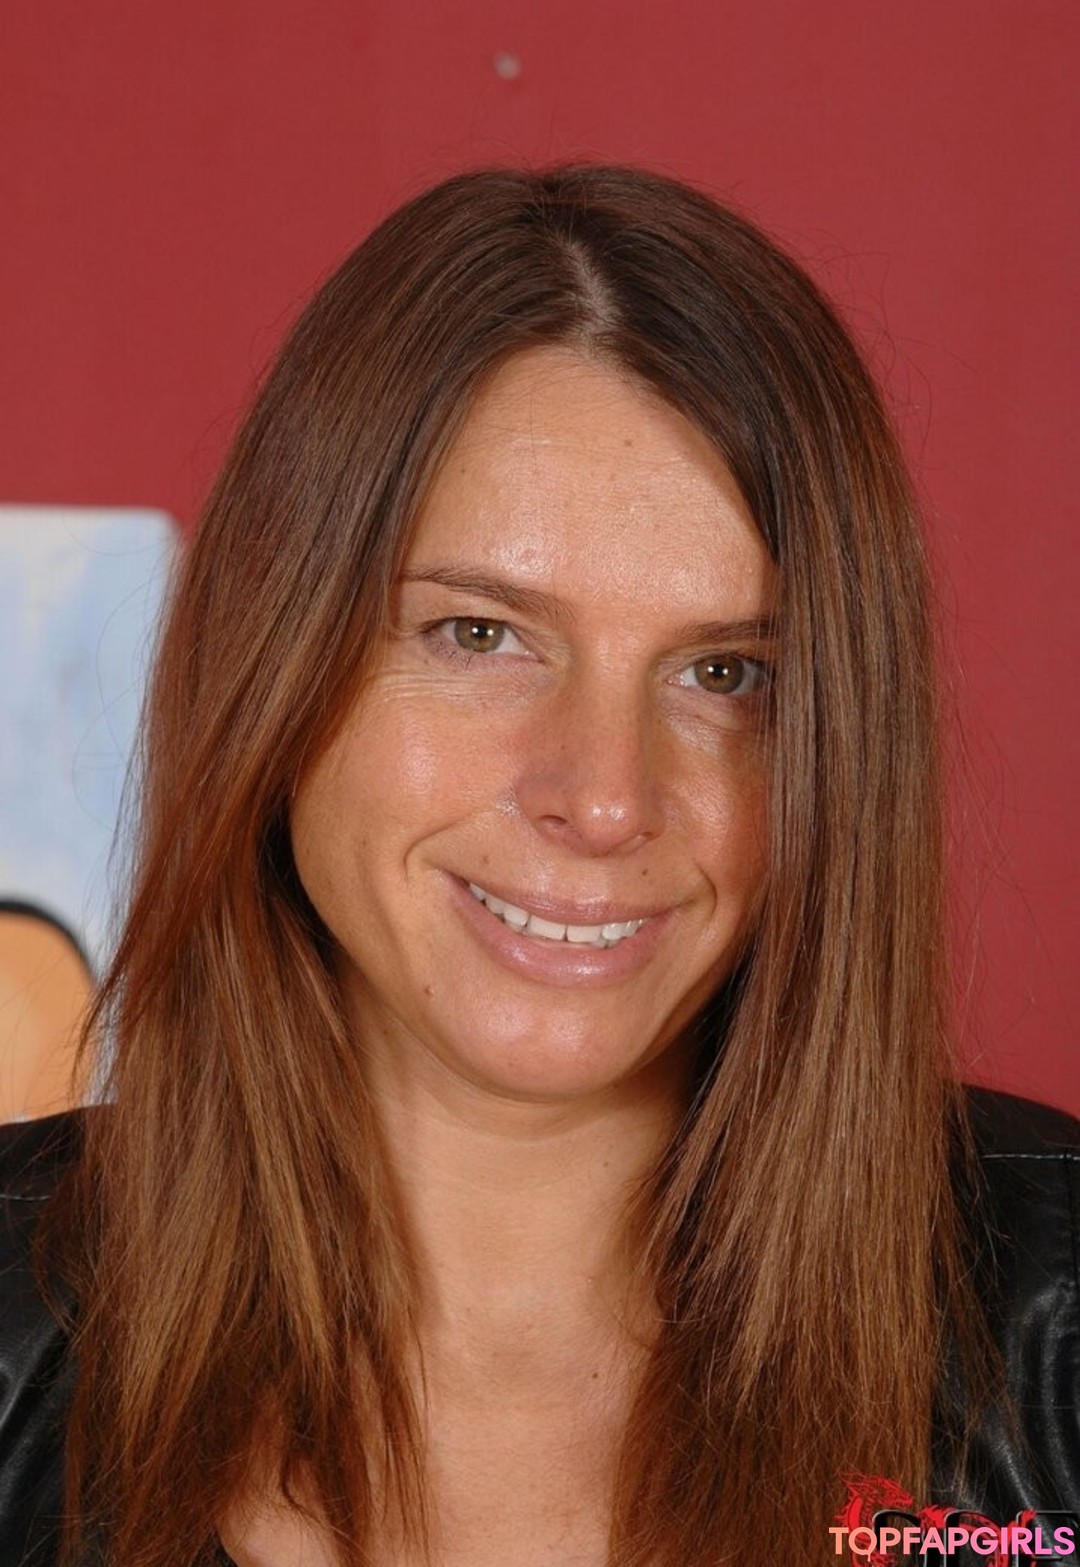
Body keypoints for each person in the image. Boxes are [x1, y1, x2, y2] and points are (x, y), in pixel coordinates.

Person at [1, 165, 1077, 1567]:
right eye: (479, 636)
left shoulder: (1057, 1317)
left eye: (725, 673)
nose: (606, 797)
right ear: (278, 657)